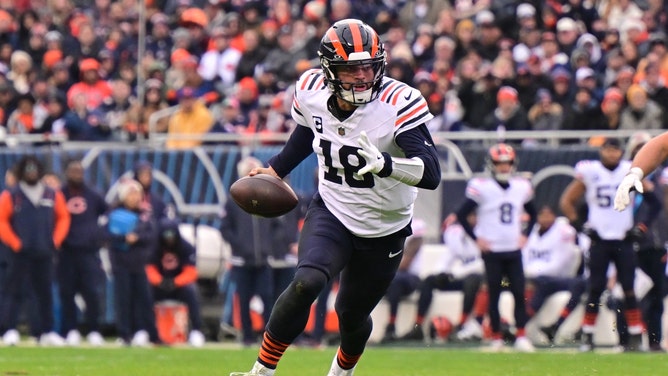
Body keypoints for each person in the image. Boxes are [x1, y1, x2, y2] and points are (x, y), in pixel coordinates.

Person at [231, 18, 440, 376]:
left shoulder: (397, 102)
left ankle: (341, 372)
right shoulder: (311, 90)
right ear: (329, 70)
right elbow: (306, 133)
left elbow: (432, 173)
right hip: (333, 209)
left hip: (384, 228)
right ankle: (260, 373)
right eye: (351, 68)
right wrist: (276, 169)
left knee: (352, 315)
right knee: (306, 283)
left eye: (368, 67)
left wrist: (387, 164)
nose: (361, 76)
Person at [561, 137, 647, 352]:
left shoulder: (629, 170)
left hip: (623, 238)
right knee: (595, 288)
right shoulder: (590, 171)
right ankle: (587, 335)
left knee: (628, 287)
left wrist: (641, 226)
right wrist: (581, 226)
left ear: (620, 152)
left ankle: (635, 335)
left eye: (615, 150)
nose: (611, 154)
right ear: (601, 151)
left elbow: (652, 199)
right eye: (608, 149)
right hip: (599, 240)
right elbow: (567, 201)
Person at [455, 143, 537, 352]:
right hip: (492, 251)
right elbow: (462, 215)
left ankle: (521, 335)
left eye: (507, 163)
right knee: (494, 293)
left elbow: (533, 213)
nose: (504, 167)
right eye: (499, 163)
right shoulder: (481, 186)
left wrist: (525, 235)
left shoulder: (521, 186)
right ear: (492, 164)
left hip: (513, 249)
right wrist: (477, 239)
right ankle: (496, 337)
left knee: (519, 292)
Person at [0, 156, 71, 346]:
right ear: (22, 173)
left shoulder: (52, 194)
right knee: (13, 291)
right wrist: (15, 243)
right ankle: (9, 329)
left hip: (44, 250)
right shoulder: (11, 195)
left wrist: (55, 240)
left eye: (34, 170)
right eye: (28, 170)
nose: (31, 173)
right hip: (19, 252)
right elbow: (2, 221)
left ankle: (46, 331)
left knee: (45, 292)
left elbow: (63, 217)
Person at [221, 156, 282, 346]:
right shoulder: (233, 201)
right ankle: (247, 336)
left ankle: (267, 337)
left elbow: (277, 225)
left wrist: (269, 246)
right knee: (244, 299)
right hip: (241, 260)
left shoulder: (267, 197)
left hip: (263, 259)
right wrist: (239, 245)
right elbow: (225, 228)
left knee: (267, 298)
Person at [398, 213, 485, 343]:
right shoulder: (458, 234)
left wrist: (455, 273)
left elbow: (481, 263)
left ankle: (461, 324)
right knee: (429, 280)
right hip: (460, 275)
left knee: (472, 280)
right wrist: (440, 273)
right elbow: (450, 254)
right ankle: (418, 326)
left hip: (482, 278)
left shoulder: (484, 233)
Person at [103, 179, 160, 346]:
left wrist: (137, 238)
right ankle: (125, 335)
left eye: (137, 193)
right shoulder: (113, 213)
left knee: (145, 300)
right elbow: (103, 235)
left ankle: (152, 335)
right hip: (120, 261)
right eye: (131, 193)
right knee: (123, 300)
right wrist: (123, 238)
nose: (135, 197)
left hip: (139, 262)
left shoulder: (145, 214)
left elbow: (151, 236)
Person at [58, 159, 109, 346]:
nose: (76, 175)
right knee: (67, 293)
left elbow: (108, 213)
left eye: (79, 171)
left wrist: (101, 236)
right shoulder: (59, 195)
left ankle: (94, 330)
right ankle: (71, 330)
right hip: (66, 252)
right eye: (73, 171)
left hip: (88, 252)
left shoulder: (93, 195)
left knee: (92, 293)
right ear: (66, 173)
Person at [146, 217, 206, 347]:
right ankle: (145, 330)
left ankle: (196, 330)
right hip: (159, 285)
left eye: (172, 234)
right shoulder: (153, 247)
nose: (169, 238)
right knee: (145, 291)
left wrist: (175, 282)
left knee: (191, 290)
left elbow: (191, 272)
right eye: (166, 234)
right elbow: (149, 269)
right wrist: (160, 281)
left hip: (179, 286)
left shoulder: (186, 247)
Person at [521, 205, 581, 330]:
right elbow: (524, 256)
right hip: (533, 276)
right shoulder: (532, 232)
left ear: (554, 216)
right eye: (542, 215)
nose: (545, 219)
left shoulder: (564, 232)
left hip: (559, 278)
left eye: (549, 215)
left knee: (541, 282)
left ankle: (522, 323)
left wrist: (532, 274)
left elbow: (559, 264)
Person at [380, 218, 427, 343]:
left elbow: (405, 263)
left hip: (411, 277)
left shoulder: (416, 225)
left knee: (394, 280)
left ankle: (391, 325)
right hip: (395, 275)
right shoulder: (394, 223)